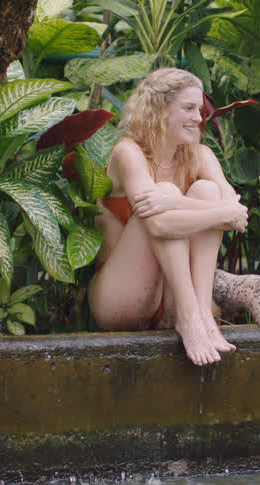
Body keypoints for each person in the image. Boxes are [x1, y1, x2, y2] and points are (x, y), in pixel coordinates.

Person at [89, 68, 248, 365]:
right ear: (159, 110)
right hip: (123, 297)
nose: (198, 118)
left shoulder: (200, 155)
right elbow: (160, 224)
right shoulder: (129, 153)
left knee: (206, 191)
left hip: (175, 298)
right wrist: (218, 211)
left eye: (199, 110)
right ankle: (189, 317)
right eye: (188, 108)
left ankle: (201, 314)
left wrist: (181, 202)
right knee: (164, 199)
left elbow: (237, 214)